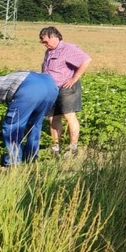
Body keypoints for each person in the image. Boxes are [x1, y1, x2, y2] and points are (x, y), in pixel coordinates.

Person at [40, 26, 91, 157]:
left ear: (54, 37)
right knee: (53, 118)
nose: (44, 44)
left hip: (67, 87)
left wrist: (74, 78)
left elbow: (86, 60)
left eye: (46, 41)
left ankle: (72, 148)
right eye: (42, 42)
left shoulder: (68, 49)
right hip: (51, 88)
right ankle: (55, 148)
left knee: (69, 116)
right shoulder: (50, 51)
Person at [0, 70, 59, 166]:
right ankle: (31, 158)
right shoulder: (6, 78)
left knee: (13, 125)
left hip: (30, 89)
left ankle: (13, 160)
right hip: (51, 86)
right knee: (35, 125)